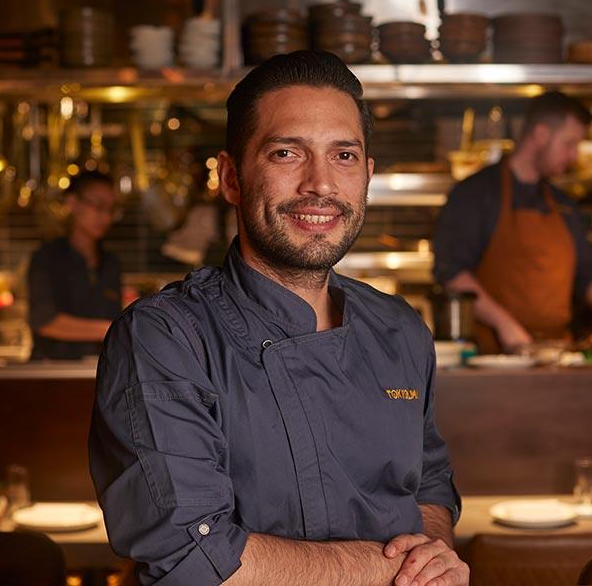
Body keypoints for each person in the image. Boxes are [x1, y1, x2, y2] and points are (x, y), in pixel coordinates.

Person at [89, 51, 467, 586]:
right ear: (231, 178)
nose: (321, 184)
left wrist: (434, 556)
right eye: (287, 153)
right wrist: (392, 570)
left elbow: (428, 481)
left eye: (344, 155)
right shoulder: (165, 337)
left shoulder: (400, 328)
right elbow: (189, 555)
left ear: (367, 175)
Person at [433, 92, 592, 354]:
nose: (574, 155)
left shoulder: (563, 203)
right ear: (541, 134)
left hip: (556, 354)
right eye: (569, 144)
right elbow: (453, 274)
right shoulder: (475, 194)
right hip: (492, 356)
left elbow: (589, 272)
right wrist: (505, 324)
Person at [27, 170, 122, 360]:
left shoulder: (110, 262)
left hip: (99, 369)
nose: (106, 218)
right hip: (53, 370)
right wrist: (109, 329)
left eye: (111, 209)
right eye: (99, 206)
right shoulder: (46, 258)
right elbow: (44, 322)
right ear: (72, 203)